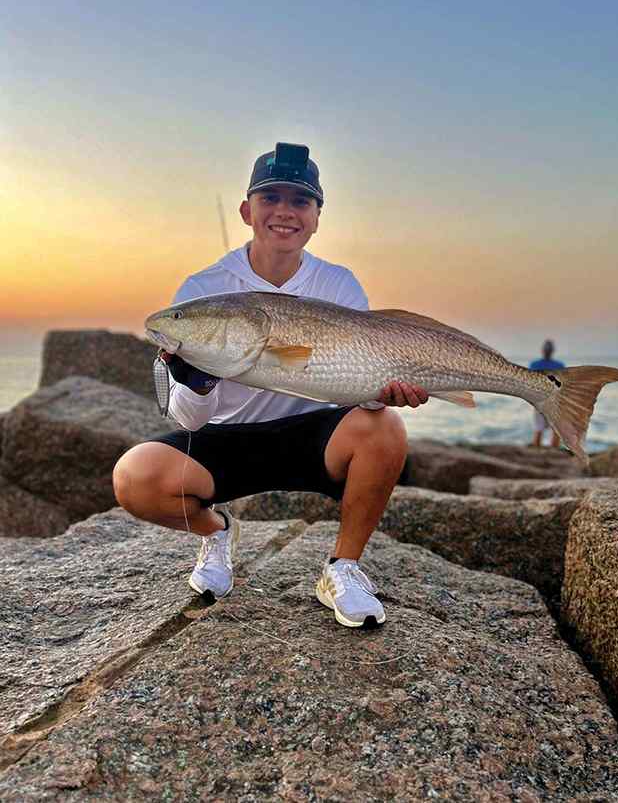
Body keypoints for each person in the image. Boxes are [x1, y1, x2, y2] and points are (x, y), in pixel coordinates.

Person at [113, 143, 429, 629]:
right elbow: (187, 420)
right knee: (133, 477)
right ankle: (217, 533)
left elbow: (357, 391)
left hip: (312, 434)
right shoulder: (203, 291)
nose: (285, 211)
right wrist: (197, 381)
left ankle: (343, 568)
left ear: (318, 217)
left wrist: (384, 391)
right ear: (247, 210)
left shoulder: (338, 285)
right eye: (270, 198)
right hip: (227, 439)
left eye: (300, 201)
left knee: (384, 426)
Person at [529, 339, 565, 448]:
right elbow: (562, 385)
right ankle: (552, 451)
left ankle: (538, 450)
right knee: (555, 429)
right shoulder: (559, 365)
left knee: (540, 428)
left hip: (541, 400)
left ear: (542, 350)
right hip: (551, 400)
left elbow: (530, 383)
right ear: (552, 351)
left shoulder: (535, 364)